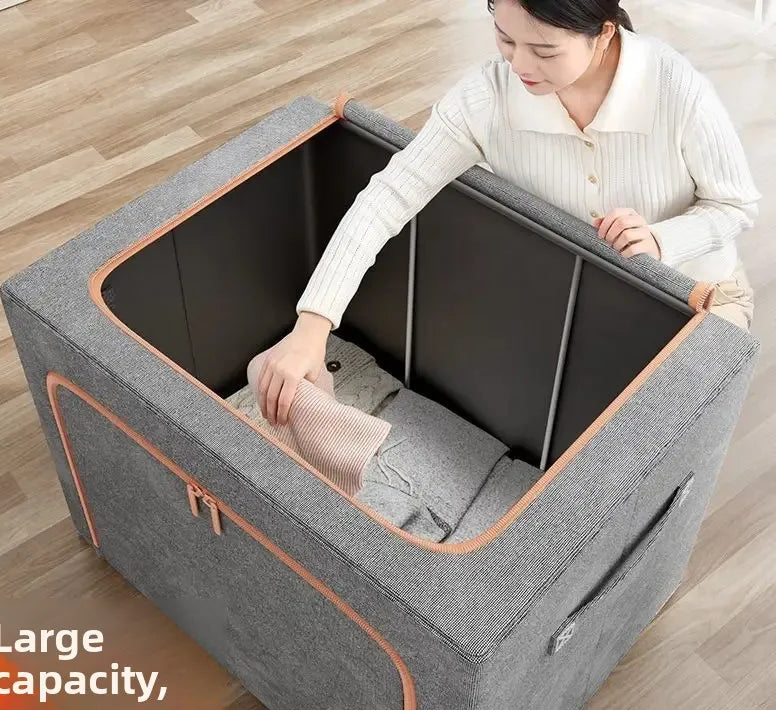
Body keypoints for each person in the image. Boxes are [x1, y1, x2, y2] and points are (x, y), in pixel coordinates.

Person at [256, 0, 761, 425]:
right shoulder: (488, 98)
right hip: (578, 304)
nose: (521, 65)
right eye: (505, 38)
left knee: (654, 436)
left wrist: (661, 241)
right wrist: (311, 328)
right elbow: (389, 195)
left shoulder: (674, 89)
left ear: (603, 34)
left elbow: (734, 205)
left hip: (698, 301)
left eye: (545, 50)